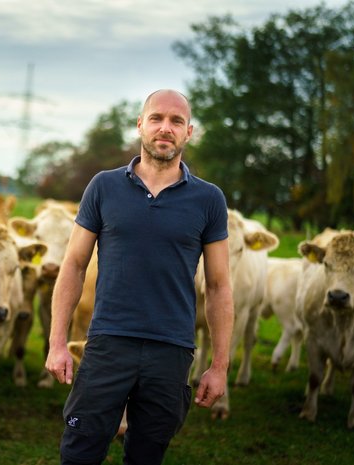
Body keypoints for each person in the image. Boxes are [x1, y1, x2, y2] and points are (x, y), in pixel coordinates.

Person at [45, 89, 234, 465]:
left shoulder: (209, 199)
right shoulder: (103, 186)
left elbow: (218, 286)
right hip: (108, 343)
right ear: (140, 125)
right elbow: (74, 265)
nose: (166, 128)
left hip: (172, 350)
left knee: (147, 456)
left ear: (189, 132)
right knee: (79, 452)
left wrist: (219, 366)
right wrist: (57, 342)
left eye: (176, 121)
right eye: (157, 118)